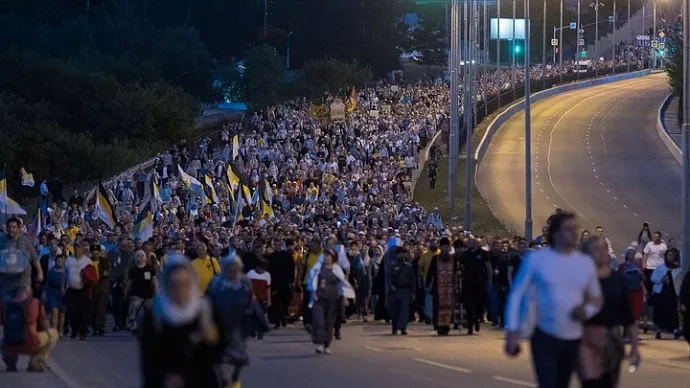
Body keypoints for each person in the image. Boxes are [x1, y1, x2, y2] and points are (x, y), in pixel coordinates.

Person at [505, 211, 603, 388]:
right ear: (556, 233)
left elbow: (596, 299)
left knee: (561, 383)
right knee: (548, 383)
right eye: (568, 229)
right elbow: (517, 294)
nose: (574, 233)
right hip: (544, 335)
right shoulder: (536, 259)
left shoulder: (584, 263)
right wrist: (512, 331)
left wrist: (586, 311)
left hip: (573, 337)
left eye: (575, 229)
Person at [139, 255, 221, 388]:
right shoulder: (156, 314)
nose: (180, 291)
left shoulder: (204, 311)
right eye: (174, 285)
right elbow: (149, 362)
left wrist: (213, 338)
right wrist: (163, 378)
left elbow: (217, 353)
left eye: (184, 285)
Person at [578, 236, 640, 388]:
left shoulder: (618, 280)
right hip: (587, 340)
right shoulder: (579, 279)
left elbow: (629, 317)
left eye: (604, 249)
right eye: (596, 249)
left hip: (612, 340)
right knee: (591, 382)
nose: (602, 253)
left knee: (609, 383)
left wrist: (634, 347)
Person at [207, 254, 260, 388]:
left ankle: (235, 379)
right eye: (229, 267)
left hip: (239, 324)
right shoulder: (216, 282)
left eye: (235, 267)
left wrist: (255, 319)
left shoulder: (244, 281)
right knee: (219, 356)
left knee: (239, 357)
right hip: (219, 323)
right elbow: (207, 301)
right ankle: (222, 379)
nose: (232, 270)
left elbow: (251, 299)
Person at [0, 286, 59, 372]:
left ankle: (10, 362)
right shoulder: (35, 302)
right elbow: (46, 325)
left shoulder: (5, 305)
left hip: (9, 344)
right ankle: (36, 361)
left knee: (2, 338)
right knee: (54, 333)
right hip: (31, 343)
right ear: (29, 293)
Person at [309, 249, 355, 354]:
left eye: (328, 256)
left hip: (332, 299)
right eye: (325, 255)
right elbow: (313, 280)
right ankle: (319, 343)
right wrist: (314, 293)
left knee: (329, 323)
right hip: (320, 298)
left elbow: (342, 284)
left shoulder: (337, 269)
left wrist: (345, 298)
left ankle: (326, 345)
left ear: (333, 258)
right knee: (319, 321)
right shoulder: (319, 268)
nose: (326, 257)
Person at [0, 217, 42, 299]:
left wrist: (40, 272)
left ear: (19, 228)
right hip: (6, 282)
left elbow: (34, 257)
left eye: (14, 227)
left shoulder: (25, 242)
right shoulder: (2, 241)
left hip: (22, 283)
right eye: (9, 227)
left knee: (22, 307)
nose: (11, 229)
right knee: (6, 307)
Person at [459, 237, 492, 335]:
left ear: (475, 244)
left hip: (480, 283)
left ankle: (477, 319)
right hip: (468, 283)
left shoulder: (482, 253)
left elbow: (488, 267)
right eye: (467, 243)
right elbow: (461, 268)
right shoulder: (464, 255)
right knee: (468, 306)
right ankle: (470, 326)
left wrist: (490, 281)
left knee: (480, 305)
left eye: (470, 242)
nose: (468, 244)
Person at [426, 237, 458, 335]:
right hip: (438, 287)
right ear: (440, 247)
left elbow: (457, 272)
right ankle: (438, 325)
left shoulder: (453, 259)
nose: (445, 249)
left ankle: (446, 326)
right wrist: (427, 283)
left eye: (446, 247)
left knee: (448, 307)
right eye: (443, 247)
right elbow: (430, 272)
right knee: (437, 307)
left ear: (449, 248)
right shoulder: (435, 258)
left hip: (449, 288)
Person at [650, 249, 683, 339]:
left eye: (671, 255)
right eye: (668, 255)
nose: (670, 257)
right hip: (661, 293)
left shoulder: (677, 268)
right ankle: (659, 330)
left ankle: (675, 330)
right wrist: (661, 279)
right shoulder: (660, 267)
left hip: (672, 294)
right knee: (660, 312)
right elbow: (653, 278)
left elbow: (680, 279)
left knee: (673, 312)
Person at [64, 241, 94, 340]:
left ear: (82, 249)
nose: (77, 249)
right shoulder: (69, 259)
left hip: (83, 290)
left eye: (79, 247)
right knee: (72, 312)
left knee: (83, 313)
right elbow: (64, 274)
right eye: (75, 248)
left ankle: (82, 332)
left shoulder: (87, 261)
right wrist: (62, 287)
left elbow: (92, 276)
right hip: (71, 290)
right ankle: (74, 330)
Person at [126, 250, 157, 333]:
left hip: (148, 293)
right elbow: (130, 281)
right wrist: (126, 292)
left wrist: (157, 291)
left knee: (149, 312)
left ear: (145, 258)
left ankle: (149, 327)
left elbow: (154, 280)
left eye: (142, 255)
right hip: (136, 293)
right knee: (134, 310)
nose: (141, 257)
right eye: (139, 256)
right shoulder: (133, 269)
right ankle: (134, 325)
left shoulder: (150, 268)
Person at [266, 238, 294, 329]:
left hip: (285, 281)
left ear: (282, 245)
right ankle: (278, 321)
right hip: (275, 282)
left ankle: (283, 316)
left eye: (279, 244)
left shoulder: (287, 255)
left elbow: (291, 268)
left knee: (285, 300)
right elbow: (269, 270)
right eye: (276, 244)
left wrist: (291, 280)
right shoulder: (271, 257)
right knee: (276, 302)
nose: (278, 246)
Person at [389, 248, 416, 335]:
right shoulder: (392, 266)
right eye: (399, 254)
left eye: (402, 253)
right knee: (395, 310)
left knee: (404, 310)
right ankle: (395, 327)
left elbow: (412, 280)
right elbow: (389, 278)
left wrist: (413, 293)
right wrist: (391, 285)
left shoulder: (409, 266)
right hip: (395, 291)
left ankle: (403, 328)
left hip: (406, 291)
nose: (401, 255)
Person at [247, 259, 271, 339]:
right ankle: (252, 330)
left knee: (261, 314)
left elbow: (268, 288)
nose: (261, 271)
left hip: (262, 297)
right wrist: (251, 294)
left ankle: (260, 332)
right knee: (254, 314)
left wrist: (269, 299)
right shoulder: (250, 273)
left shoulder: (267, 275)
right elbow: (247, 286)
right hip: (252, 298)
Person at [89, 244, 110, 336]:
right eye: (93, 253)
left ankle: (100, 327)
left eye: (97, 253)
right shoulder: (88, 261)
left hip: (102, 286)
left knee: (101, 308)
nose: (95, 255)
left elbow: (109, 270)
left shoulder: (104, 261)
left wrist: (107, 273)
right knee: (92, 307)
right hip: (92, 286)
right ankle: (94, 326)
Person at [44, 253, 66, 337]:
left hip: (63, 294)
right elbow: (47, 283)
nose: (59, 262)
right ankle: (54, 332)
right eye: (58, 261)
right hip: (52, 293)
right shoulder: (51, 271)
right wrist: (44, 293)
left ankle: (60, 331)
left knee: (62, 314)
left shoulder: (66, 271)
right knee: (54, 311)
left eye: (61, 261)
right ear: (55, 261)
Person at [679, 270, 690, 358]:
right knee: (686, 330)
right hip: (688, 306)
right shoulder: (688, 274)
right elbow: (683, 289)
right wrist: (682, 303)